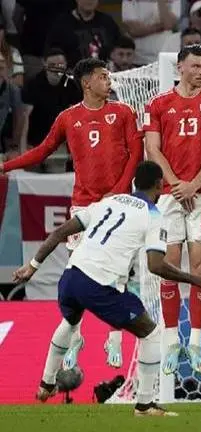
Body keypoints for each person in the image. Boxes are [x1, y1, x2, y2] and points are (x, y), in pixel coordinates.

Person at [14, 161, 201, 416]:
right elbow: (156, 266)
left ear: (133, 183)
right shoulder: (153, 215)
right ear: (159, 185)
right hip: (98, 285)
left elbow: (60, 232)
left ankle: (46, 384)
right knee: (150, 334)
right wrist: (196, 280)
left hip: (70, 277)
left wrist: (32, 266)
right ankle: (144, 404)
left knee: (70, 321)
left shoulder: (108, 202)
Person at [0, 57, 143, 369]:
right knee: (77, 275)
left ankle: (115, 336)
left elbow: (136, 153)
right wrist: (5, 165)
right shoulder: (68, 118)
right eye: (103, 76)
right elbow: (43, 150)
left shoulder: (123, 112)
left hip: (118, 204)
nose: (109, 81)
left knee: (117, 270)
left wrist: (118, 190)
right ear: (87, 83)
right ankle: (75, 335)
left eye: (109, 75)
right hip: (83, 204)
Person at [144, 44, 201, 375]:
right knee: (168, 266)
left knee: (199, 270)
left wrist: (193, 185)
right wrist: (178, 184)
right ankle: (170, 344)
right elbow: (153, 148)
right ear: (179, 67)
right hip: (167, 196)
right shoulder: (158, 104)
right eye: (195, 66)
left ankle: (194, 344)